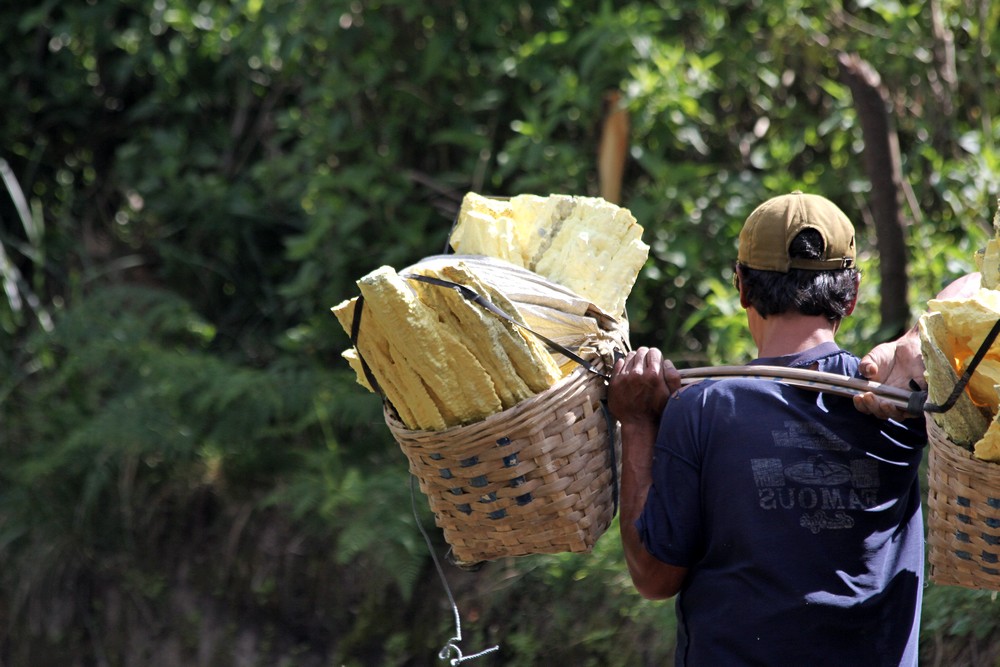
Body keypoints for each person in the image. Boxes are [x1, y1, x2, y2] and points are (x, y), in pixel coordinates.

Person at [609, 191, 931, 665]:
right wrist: (917, 339)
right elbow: (981, 291)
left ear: (742, 287)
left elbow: (654, 578)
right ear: (852, 295)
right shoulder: (898, 402)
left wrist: (638, 424)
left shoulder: (702, 408)